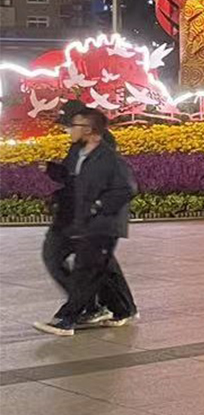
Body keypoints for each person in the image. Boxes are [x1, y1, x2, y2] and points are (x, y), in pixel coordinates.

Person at [34, 102, 137, 337]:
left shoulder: (103, 150)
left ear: (86, 127)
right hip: (77, 217)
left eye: (71, 125)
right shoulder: (78, 149)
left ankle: (76, 315)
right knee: (71, 262)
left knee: (92, 269)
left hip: (100, 221)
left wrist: (97, 206)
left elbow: (121, 187)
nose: (67, 130)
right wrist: (53, 171)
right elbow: (73, 177)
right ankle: (107, 308)